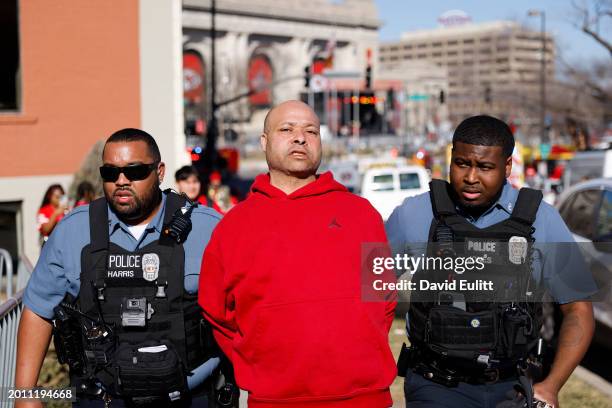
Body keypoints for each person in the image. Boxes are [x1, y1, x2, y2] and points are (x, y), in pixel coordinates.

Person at [387, 115, 596, 408]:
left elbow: (578, 308)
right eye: (462, 164)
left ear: (507, 166)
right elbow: (367, 290)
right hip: (435, 385)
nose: (471, 177)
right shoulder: (413, 214)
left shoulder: (542, 219)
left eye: (485, 167)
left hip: (514, 387)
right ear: (451, 158)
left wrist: (551, 385)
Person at [198, 100, 397, 407]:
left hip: (364, 397)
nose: (300, 138)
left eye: (311, 131)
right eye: (286, 129)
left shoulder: (362, 215)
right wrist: (256, 363)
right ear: (264, 141)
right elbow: (215, 310)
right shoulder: (234, 226)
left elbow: (383, 298)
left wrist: (361, 352)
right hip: (274, 398)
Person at [16, 129, 227, 407]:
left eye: (135, 171)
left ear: (160, 171)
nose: (122, 181)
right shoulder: (73, 231)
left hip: (191, 397)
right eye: (110, 173)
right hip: (101, 398)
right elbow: (38, 308)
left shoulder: (207, 227)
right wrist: (23, 393)